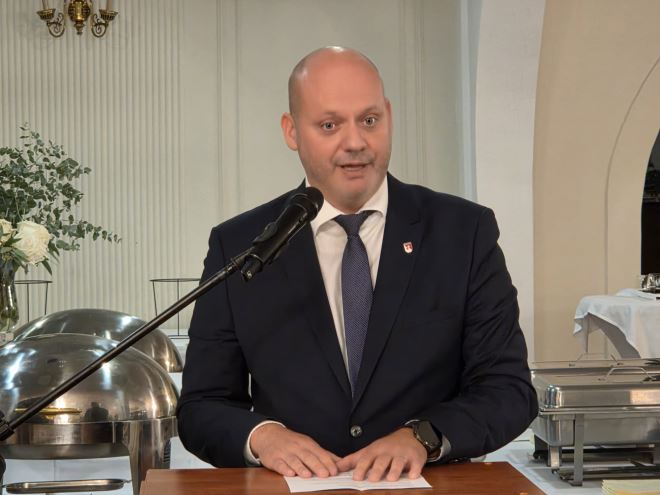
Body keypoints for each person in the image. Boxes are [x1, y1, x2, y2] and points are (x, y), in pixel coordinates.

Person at [177, 46, 538, 482]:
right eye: (330, 125)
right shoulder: (239, 245)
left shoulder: (463, 232)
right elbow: (202, 407)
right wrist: (263, 436)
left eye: (369, 120)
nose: (355, 142)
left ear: (389, 116)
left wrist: (422, 436)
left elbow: (508, 390)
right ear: (292, 131)